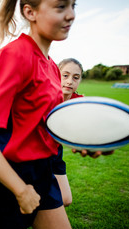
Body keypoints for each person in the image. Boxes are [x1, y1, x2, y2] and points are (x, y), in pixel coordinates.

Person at [0, 1, 112, 229]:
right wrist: (19, 189)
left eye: (73, 5)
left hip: (42, 171)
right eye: (60, 6)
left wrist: (80, 141)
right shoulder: (15, 55)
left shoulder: (51, 65)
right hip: (5, 178)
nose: (71, 15)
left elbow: (41, 124)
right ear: (30, 12)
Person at [53, 58, 84, 207]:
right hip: (34, 154)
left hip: (55, 153)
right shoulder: (46, 98)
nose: (70, 81)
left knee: (66, 199)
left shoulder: (80, 103)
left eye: (75, 77)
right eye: (65, 75)